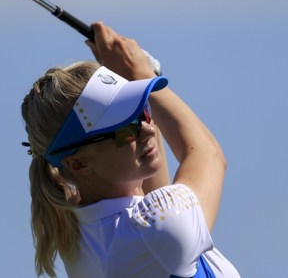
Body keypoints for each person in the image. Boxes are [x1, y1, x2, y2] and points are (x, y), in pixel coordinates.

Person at [21, 22, 240, 278]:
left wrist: (133, 79)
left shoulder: (80, 232)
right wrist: (142, 72)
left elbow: (154, 199)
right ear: (78, 164)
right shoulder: (159, 228)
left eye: (144, 112)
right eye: (125, 128)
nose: (147, 129)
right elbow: (207, 154)